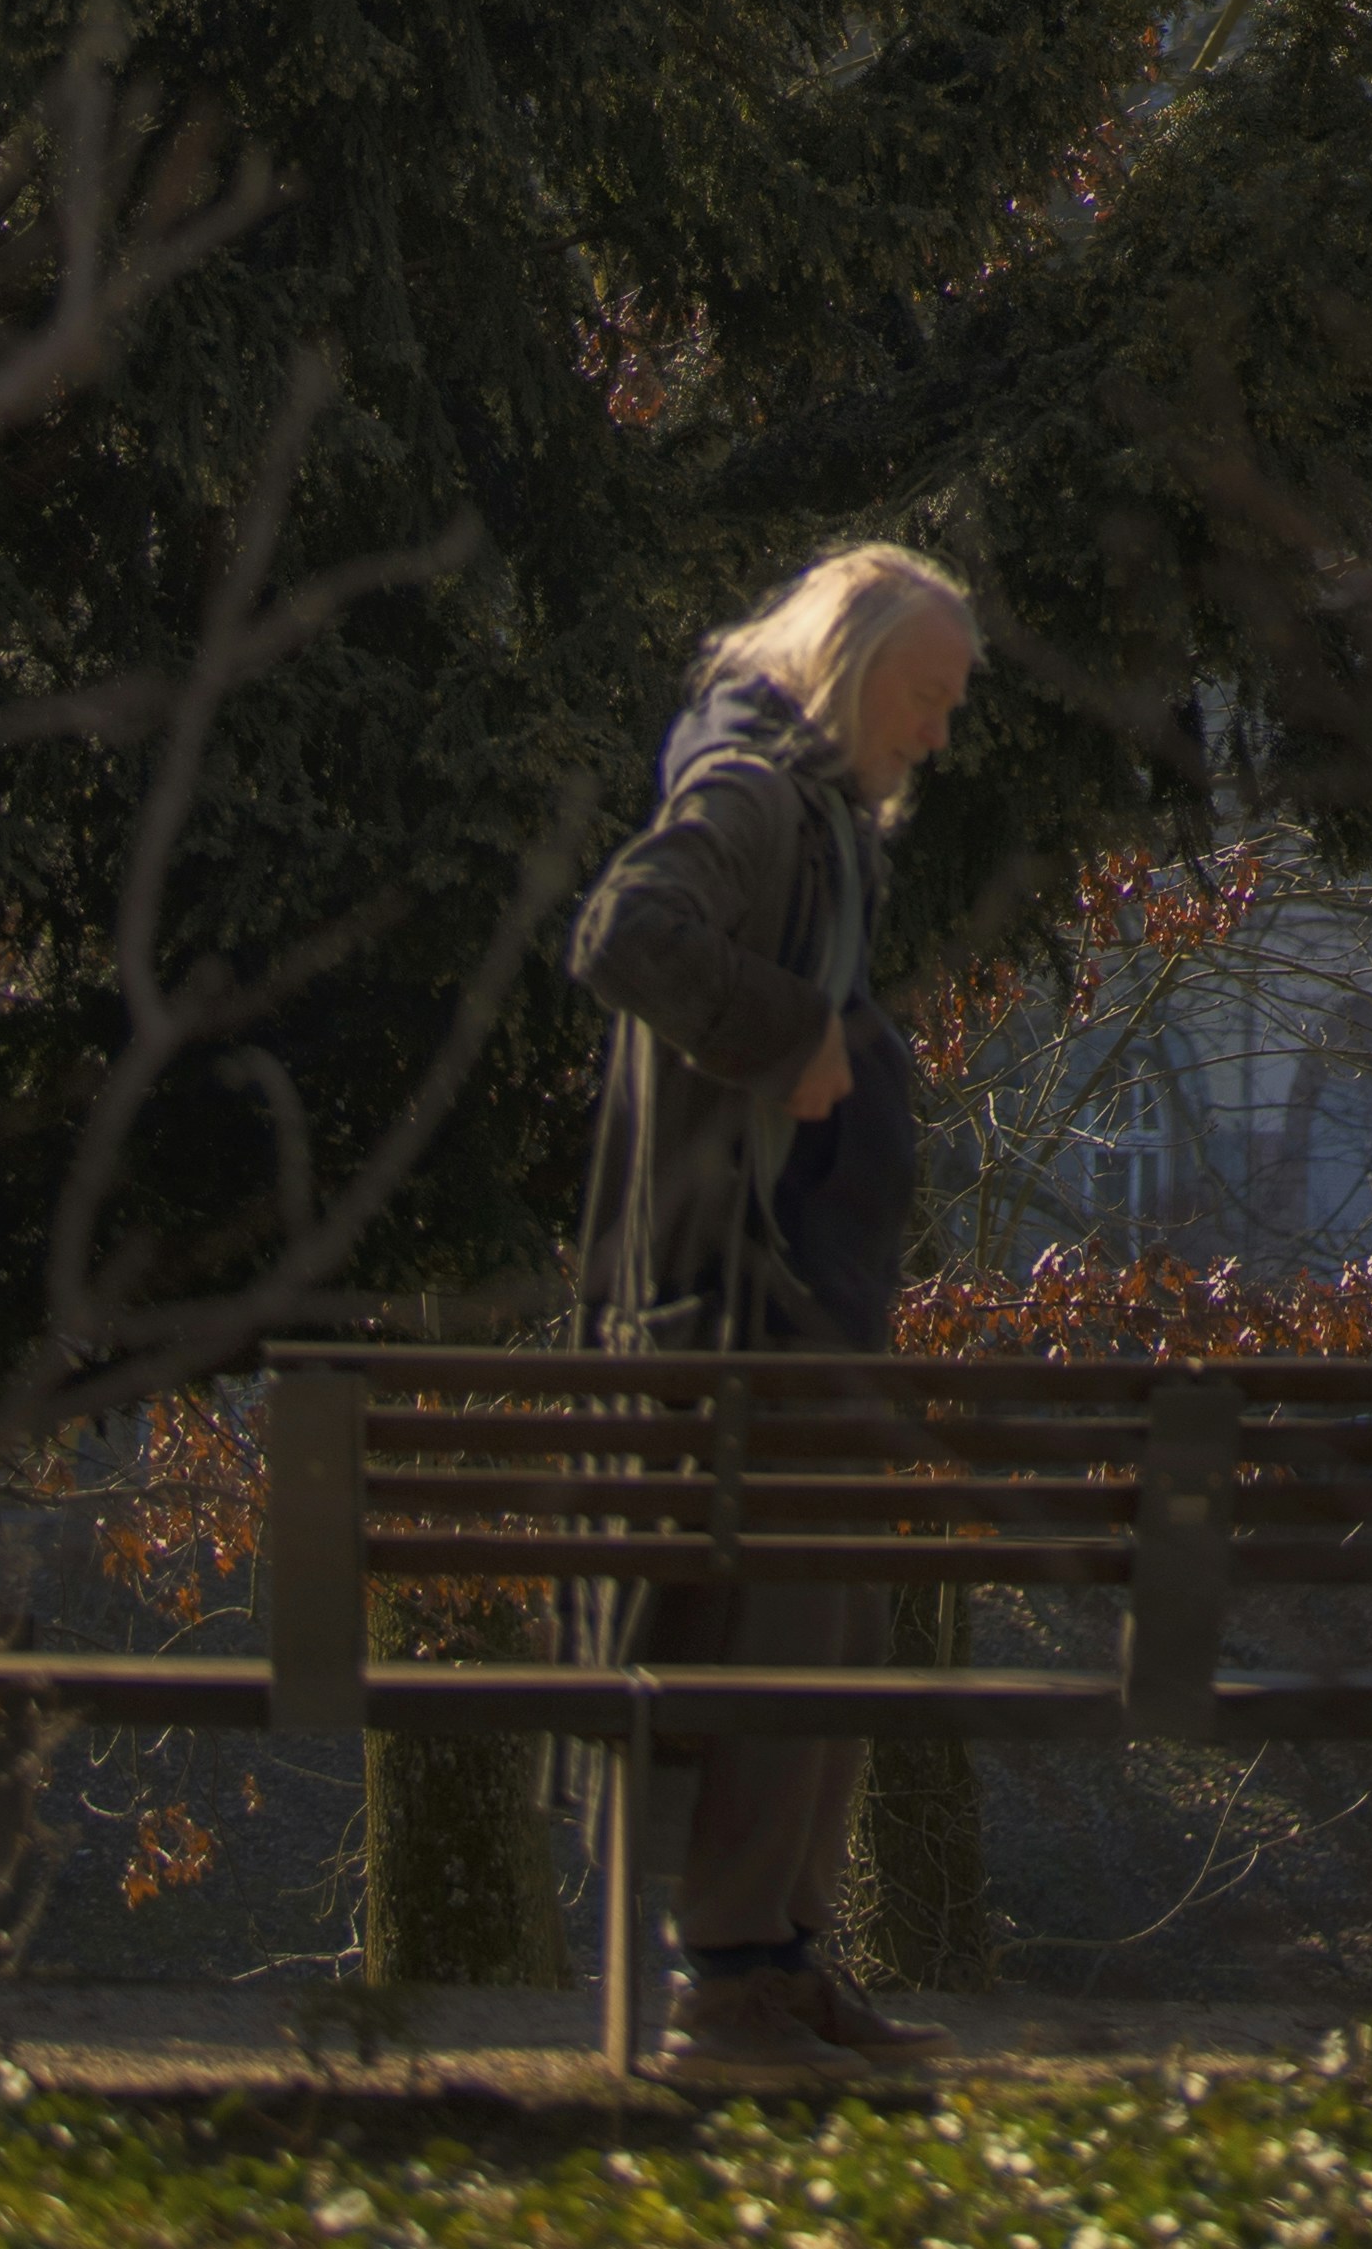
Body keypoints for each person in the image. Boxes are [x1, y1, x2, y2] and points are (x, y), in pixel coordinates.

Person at [567, 540, 977, 2085]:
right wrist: (794, 1031)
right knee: (796, 1619)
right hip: (742, 1305)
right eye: (923, 696)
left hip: (804, 1309)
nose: (936, 732)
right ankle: (731, 1983)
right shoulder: (749, 790)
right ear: (849, 663)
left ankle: (782, 1960)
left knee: (842, 1621)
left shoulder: (817, 816)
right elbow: (625, 931)